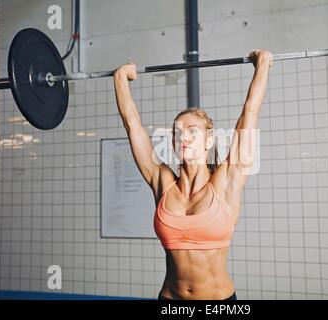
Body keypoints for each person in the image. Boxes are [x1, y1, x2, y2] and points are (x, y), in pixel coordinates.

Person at [113, 49, 273, 300]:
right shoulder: (162, 182)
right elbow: (132, 124)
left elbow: (250, 112)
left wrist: (262, 64)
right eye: (177, 132)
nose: (183, 137)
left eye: (192, 131)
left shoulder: (227, 180)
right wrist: (121, 77)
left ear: (209, 139)